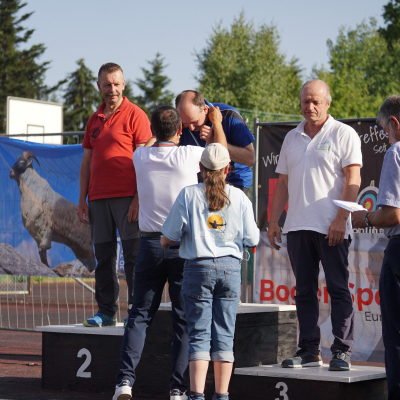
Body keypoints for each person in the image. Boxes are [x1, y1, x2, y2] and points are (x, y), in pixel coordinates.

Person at [113, 105, 227, 400]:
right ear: (180, 130)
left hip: (150, 244)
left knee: (139, 316)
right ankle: (177, 389)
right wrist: (215, 123)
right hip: (183, 246)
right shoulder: (189, 154)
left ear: (152, 131)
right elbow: (220, 155)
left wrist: (157, 134)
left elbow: (151, 142)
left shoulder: (140, 156)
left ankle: (124, 382)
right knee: (183, 319)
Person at [267, 79, 362, 371]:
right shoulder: (291, 137)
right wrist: (273, 221)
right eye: (305, 101)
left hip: (332, 227)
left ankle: (342, 351)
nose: (310, 106)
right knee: (304, 291)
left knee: (338, 288)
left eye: (316, 101)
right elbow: (283, 183)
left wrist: (341, 219)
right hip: (297, 227)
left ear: (328, 104)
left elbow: (353, 178)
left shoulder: (343, 133)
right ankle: (309, 351)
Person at [161, 143, 259, 400]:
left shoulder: (188, 194)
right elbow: (253, 238)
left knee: (199, 336)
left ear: (201, 168)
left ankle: (196, 395)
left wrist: (173, 240)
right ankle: (222, 395)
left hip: (197, 269)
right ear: (228, 169)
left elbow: (167, 236)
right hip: (230, 268)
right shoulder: (239, 197)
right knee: (225, 336)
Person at [77, 63, 152, 327]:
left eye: (116, 84)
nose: (112, 89)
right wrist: (82, 200)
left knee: (133, 257)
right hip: (97, 199)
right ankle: (106, 312)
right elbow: (87, 163)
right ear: (99, 86)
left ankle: (136, 312)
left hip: (128, 198)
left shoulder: (136, 115)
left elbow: (145, 161)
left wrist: (138, 198)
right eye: (107, 84)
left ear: (124, 84)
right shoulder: (93, 119)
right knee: (103, 257)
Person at [352, 95, 400, 399]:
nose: (385, 137)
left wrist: (365, 217)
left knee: (396, 336)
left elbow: (393, 214)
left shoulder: (396, 152)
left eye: (385, 130)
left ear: (394, 123)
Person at [175, 90, 255, 194]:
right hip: (199, 183)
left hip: (233, 180)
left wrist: (215, 141)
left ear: (205, 109)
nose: (191, 128)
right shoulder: (178, 122)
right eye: (185, 123)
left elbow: (250, 159)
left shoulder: (228, 115)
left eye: (195, 122)